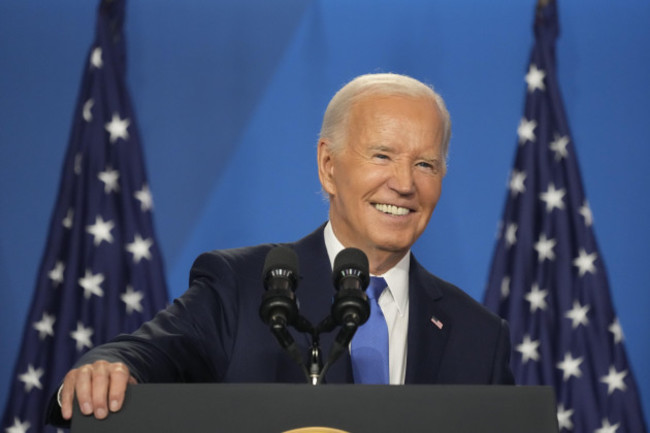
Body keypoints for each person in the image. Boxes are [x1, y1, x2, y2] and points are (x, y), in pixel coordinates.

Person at [48, 72, 514, 426]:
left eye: (426, 164)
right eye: (382, 156)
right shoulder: (243, 285)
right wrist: (105, 367)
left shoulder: (479, 335)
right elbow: (146, 354)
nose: (405, 183)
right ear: (328, 166)